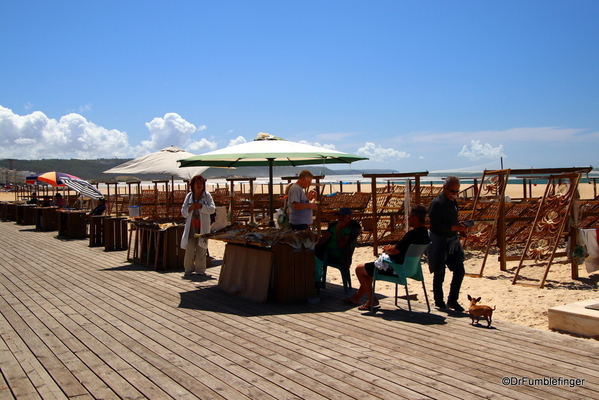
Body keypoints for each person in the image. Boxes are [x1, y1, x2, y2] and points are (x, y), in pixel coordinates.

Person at [344, 205, 430, 310]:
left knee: (360, 269)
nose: (408, 218)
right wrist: (391, 249)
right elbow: (402, 248)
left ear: (415, 217)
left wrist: (386, 249)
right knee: (369, 271)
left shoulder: (411, 235)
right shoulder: (425, 233)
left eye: (409, 216)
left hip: (396, 268)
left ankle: (372, 300)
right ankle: (356, 297)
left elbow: (395, 251)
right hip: (411, 269)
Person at [428, 175, 469, 312]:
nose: (455, 194)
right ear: (444, 188)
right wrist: (455, 228)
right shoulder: (437, 203)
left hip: (453, 241)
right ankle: (439, 302)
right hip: (439, 242)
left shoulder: (453, 202)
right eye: (452, 191)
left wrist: (460, 228)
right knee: (439, 273)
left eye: (457, 191)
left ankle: (452, 299)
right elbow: (435, 226)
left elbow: (453, 222)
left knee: (459, 271)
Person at [180, 175, 216, 278]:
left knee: (202, 248)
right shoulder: (189, 196)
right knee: (190, 249)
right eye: (197, 183)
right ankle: (188, 269)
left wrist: (201, 206)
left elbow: (212, 209)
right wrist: (191, 208)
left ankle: (200, 269)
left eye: (201, 183)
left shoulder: (207, 195)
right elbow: (183, 211)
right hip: (191, 227)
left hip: (203, 226)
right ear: (193, 185)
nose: (199, 185)